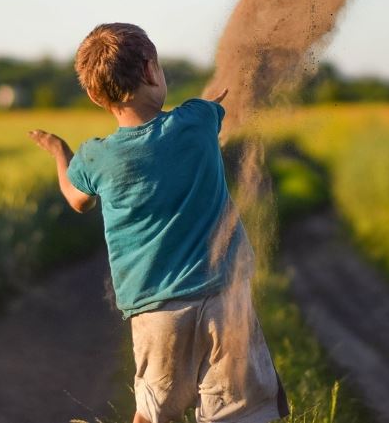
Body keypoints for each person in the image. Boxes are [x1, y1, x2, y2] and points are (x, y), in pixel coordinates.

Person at [28, 22, 288, 423]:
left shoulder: (95, 158)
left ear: (95, 95)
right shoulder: (197, 119)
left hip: (156, 312)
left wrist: (60, 153)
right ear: (151, 70)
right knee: (240, 410)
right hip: (225, 299)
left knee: (154, 412)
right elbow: (211, 109)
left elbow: (77, 200)